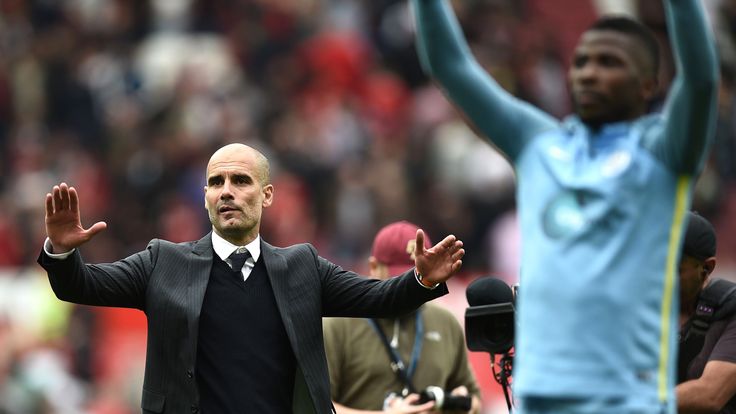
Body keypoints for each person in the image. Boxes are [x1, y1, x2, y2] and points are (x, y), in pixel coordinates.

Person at [412, 0, 718, 412]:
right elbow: (450, 66)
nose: (590, 72)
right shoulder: (538, 145)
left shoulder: (664, 155)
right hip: (539, 401)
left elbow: (700, 80)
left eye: (609, 62)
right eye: (583, 62)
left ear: (647, 83)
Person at [37, 143, 466, 414]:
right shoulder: (162, 261)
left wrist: (420, 280)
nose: (226, 190)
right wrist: (62, 250)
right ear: (205, 196)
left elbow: (380, 299)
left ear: (267, 195)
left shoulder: (302, 267)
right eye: (215, 181)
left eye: (240, 180)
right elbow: (80, 285)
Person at [323, 221, 481, 414]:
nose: (410, 289)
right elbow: (317, 406)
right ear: (373, 267)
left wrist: (454, 404)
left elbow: (474, 400)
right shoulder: (338, 322)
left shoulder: (445, 321)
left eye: (419, 276)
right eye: (399, 277)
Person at [676, 211, 736, 413]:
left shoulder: (730, 310)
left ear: (707, 267)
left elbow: (710, 395)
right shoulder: (638, 308)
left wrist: (632, 402)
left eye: (675, 269)